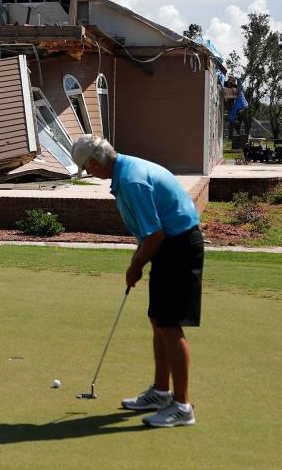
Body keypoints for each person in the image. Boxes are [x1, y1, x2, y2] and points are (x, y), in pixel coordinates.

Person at [72, 135, 203, 428]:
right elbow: (151, 233)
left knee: (170, 325)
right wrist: (140, 260)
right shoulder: (126, 171)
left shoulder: (131, 181)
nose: (90, 174)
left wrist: (135, 266)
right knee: (159, 320)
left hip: (179, 247)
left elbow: (155, 234)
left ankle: (182, 407)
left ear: (94, 162)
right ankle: (160, 392)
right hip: (169, 245)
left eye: (87, 169)